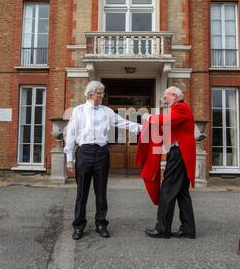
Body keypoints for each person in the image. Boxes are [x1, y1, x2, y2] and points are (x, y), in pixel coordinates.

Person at [64, 80, 142, 240]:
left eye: (103, 92)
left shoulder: (107, 111)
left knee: (101, 191)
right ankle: (78, 226)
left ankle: (101, 224)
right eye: (100, 92)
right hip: (84, 152)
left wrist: (142, 126)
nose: (103, 94)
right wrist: (69, 159)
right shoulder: (78, 111)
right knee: (82, 192)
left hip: (101, 152)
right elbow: (71, 134)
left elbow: (123, 123)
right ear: (92, 93)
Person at [138, 86, 197, 239]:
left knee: (167, 190)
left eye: (166, 97)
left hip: (179, 154)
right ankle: (188, 228)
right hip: (181, 154)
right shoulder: (180, 109)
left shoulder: (181, 108)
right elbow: (167, 128)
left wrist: (148, 117)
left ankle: (163, 229)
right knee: (182, 193)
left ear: (174, 95)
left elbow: (165, 120)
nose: (164, 100)